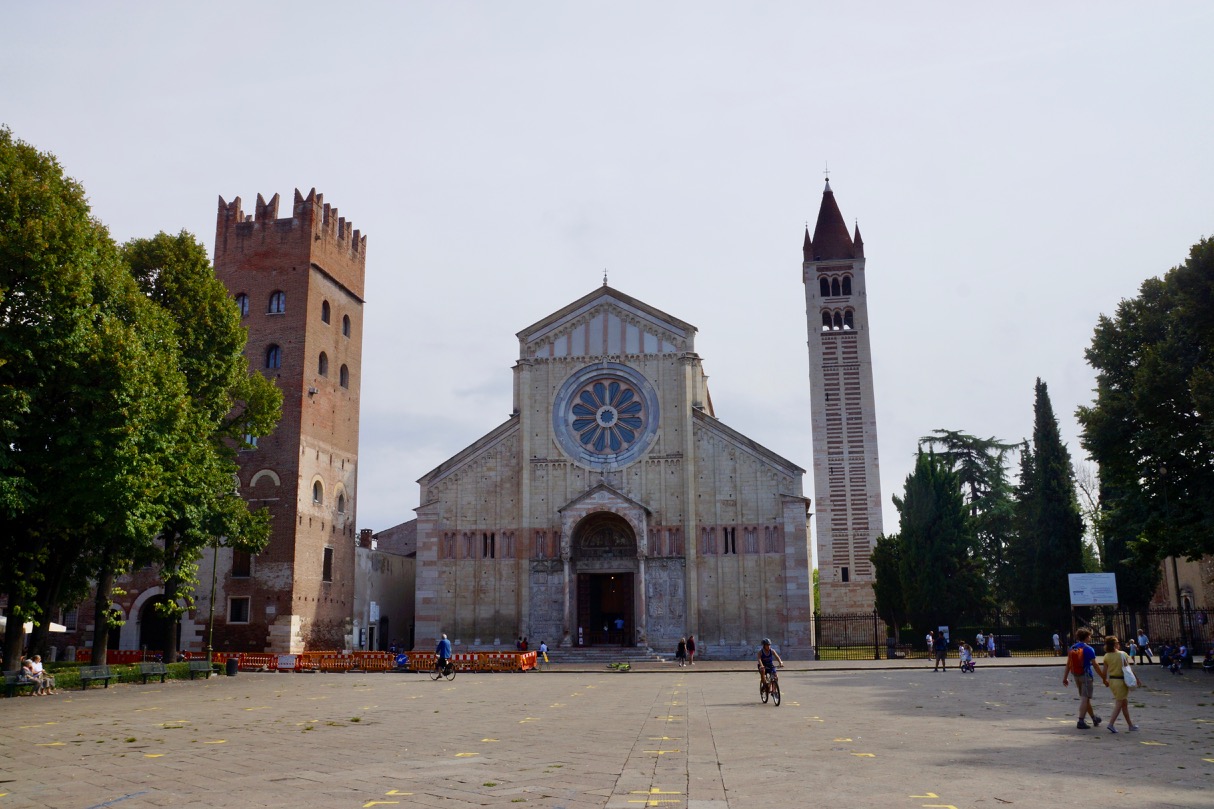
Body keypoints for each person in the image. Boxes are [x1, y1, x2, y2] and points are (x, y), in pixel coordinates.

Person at [1063, 627, 1108, 729]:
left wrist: (1065, 678)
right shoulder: (1089, 649)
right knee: (1085, 698)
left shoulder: (1072, 648)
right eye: (1089, 636)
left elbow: (1068, 664)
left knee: (1085, 698)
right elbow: (1095, 665)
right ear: (1087, 637)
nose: (1090, 637)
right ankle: (1081, 721)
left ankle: (1094, 718)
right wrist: (1103, 678)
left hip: (1076, 675)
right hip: (1086, 676)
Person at [1101, 635, 1138, 733]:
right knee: (1119, 703)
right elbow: (1128, 669)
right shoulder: (1123, 654)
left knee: (1124, 703)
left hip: (1112, 681)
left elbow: (1104, 672)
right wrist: (1136, 679)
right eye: (1117, 642)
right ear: (1115, 644)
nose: (1118, 644)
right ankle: (1111, 724)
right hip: (1121, 681)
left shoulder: (1106, 656)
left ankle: (1130, 725)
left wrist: (1104, 680)